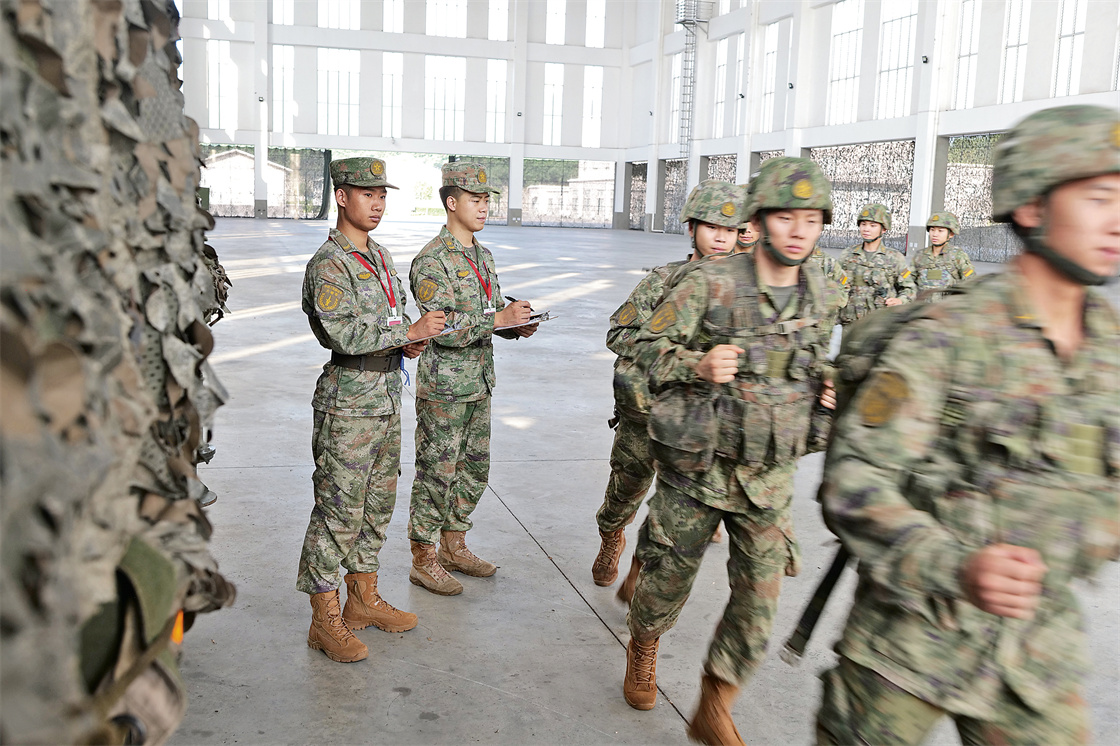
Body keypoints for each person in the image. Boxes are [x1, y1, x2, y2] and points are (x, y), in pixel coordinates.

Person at [815, 105, 1120, 745]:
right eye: (1099, 198)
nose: (1118, 219)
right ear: (1031, 205)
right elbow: (854, 481)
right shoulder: (949, 335)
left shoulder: (1109, 348)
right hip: (909, 642)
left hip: (1036, 656)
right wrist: (953, 564)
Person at [623, 158, 838, 745]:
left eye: (812, 220)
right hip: (698, 469)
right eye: (786, 217)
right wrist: (696, 363)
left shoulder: (822, 290)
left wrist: (827, 383)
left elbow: (814, 359)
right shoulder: (709, 283)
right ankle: (644, 645)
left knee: (759, 600)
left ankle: (716, 701)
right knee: (666, 582)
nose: (799, 231)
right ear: (759, 222)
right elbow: (643, 347)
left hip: (768, 477)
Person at [296, 157, 448, 663]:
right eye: (367, 194)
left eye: (382, 194)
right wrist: (406, 332)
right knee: (338, 511)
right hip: (348, 404)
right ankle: (324, 618)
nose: (378, 203)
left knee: (377, 505)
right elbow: (342, 334)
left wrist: (409, 340)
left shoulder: (379, 256)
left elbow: (391, 319)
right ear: (342, 197)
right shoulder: (329, 263)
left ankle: (362, 599)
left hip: (384, 397)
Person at [592, 180, 745, 594]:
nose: (721, 237)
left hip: (703, 423)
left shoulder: (743, 293)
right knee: (626, 491)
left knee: (676, 510)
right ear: (692, 228)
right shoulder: (663, 281)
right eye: (711, 227)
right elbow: (619, 333)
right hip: (648, 412)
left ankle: (642, 569)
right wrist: (675, 356)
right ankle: (611, 536)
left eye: (729, 229)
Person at [407, 162, 536, 596]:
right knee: (437, 472)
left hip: (479, 381)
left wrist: (514, 324)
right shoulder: (431, 260)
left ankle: (453, 545)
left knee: (474, 469)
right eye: (474, 200)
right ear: (451, 202)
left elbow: (489, 312)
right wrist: (497, 319)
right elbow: (440, 325)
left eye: (486, 200)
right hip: (445, 388)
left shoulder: (483, 255)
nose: (483, 208)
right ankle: (423, 558)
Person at [837, 203, 916, 326]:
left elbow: (909, 288)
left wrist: (900, 300)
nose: (866, 229)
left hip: (879, 326)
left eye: (872, 225)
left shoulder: (894, 258)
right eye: (863, 224)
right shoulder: (847, 255)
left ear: (884, 229)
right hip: (850, 325)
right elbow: (836, 285)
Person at [912, 211, 976, 300]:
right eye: (932, 230)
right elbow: (907, 282)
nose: (935, 234)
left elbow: (971, 282)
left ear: (951, 234)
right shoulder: (920, 256)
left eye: (940, 231)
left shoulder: (957, 255)